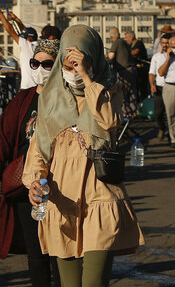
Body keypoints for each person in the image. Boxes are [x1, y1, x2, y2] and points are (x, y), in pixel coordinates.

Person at [24, 24, 144, 287]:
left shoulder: (108, 92)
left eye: (80, 63)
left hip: (98, 199)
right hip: (62, 203)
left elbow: (109, 121)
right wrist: (34, 181)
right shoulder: (49, 101)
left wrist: (89, 79)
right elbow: (38, 154)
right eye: (68, 66)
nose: (73, 72)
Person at [0, 39, 62, 287]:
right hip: (27, 186)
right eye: (34, 63)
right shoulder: (22, 100)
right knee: (36, 252)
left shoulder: (68, 98)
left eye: (47, 64)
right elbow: (4, 139)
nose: (39, 68)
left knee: (61, 252)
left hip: (61, 184)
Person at [0, 5, 39, 90]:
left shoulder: (27, 46)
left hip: (28, 88)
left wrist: (1, 15)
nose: (21, 39)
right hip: (38, 87)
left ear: (29, 39)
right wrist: (16, 20)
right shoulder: (37, 46)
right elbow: (25, 32)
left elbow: (10, 30)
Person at [148, 34, 171, 142]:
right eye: (163, 43)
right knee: (158, 112)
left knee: (171, 112)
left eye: (167, 43)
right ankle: (162, 128)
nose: (165, 45)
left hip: (171, 87)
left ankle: (171, 133)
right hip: (159, 87)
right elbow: (152, 73)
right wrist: (152, 84)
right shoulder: (156, 57)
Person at [125, 31, 149, 98]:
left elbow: (135, 52)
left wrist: (125, 53)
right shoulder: (129, 45)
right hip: (135, 69)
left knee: (143, 88)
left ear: (131, 37)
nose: (125, 39)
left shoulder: (139, 43)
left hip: (142, 69)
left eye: (126, 37)